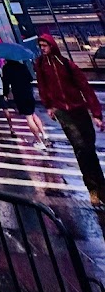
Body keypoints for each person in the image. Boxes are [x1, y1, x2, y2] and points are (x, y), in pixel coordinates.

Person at [35, 33, 105, 207]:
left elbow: (86, 89)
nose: (43, 49)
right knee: (81, 149)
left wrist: (96, 114)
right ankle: (93, 189)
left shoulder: (67, 65)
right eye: (41, 46)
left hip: (79, 110)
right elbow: (42, 87)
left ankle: (100, 187)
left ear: (52, 46)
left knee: (89, 150)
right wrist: (49, 106)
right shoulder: (42, 65)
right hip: (62, 113)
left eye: (45, 46)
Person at [3, 58, 48, 148]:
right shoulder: (22, 66)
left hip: (19, 95)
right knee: (33, 113)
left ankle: (39, 141)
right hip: (29, 92)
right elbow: (30, 78)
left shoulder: (6, 68)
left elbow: (6, 83)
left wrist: (5, 94)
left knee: (29, 117)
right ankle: (44, 134)